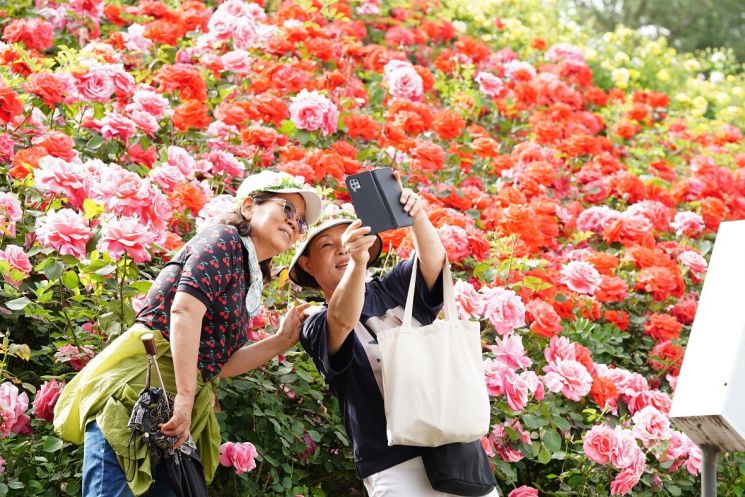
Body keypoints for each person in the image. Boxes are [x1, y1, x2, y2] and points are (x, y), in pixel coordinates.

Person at [53, 170, 323, 497]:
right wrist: (184, 396)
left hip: (174, 412)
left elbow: (215, 364)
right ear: (250, 207)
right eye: (287, 209)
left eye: (302, 221)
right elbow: (184, 311)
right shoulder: (224, 240)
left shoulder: (247, 274)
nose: (295, 222)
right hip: (141, 393)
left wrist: (280, 341)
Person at [290, 175, 499, 496]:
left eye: (347, 240)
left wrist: (417, 217)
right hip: (391, 462)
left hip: (455, 449)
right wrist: (358, 265)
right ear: (307, 263)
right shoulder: (314, 322)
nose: (342, 250)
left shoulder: (394, 287)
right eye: (327, 245)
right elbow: (342, 321)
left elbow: (434, 263)